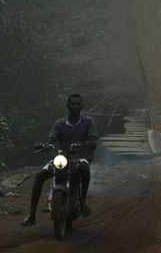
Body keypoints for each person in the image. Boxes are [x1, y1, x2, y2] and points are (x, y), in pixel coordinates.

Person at [20, 93, 98, 226]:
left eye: (78, 104)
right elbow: (52, 139)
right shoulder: (59, 123)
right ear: (67, 105)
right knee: (40, 176)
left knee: (84, 167)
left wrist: (85, 144)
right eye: (72, 104)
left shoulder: (88, 122)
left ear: (82, 106)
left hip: (81, 158)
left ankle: (83, 199)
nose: (75, 106)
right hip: (62, 158)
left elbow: (93, 141)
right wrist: (46, 145)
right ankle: (31, 215)